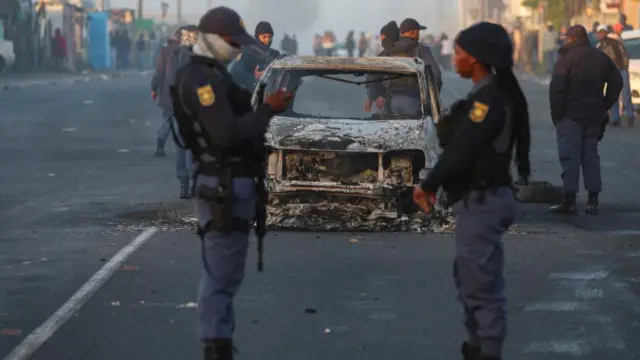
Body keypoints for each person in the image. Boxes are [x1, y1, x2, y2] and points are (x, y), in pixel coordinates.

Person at [171, 7, 292, 360]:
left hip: (228, 182)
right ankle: (216, 346)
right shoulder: (201, 79)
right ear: (211, 40)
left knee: (226, 273)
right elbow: (224, 134)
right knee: (221, 275)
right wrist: (267, 109)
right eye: (232, 43)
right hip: (221, 184)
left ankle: (219, 342)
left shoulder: (214, 74)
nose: (238, 50)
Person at [412, 21, 531, 360]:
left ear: (477, 59)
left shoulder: (487, 103)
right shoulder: (485, 97)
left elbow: (461, 150)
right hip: (480, 201)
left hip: (485, 200)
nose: (455, 59)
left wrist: (428, 184)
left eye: (461, 53)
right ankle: (477, 347)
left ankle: (488, 351)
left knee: (481, 283)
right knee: (470, 277)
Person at [549, 25, 622, 215]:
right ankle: (593, 200)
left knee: (570, 156)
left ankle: (570, 200)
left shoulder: (567, 59)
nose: (564, 40)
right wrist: (605, 105)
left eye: (567, 38)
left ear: (573, 39)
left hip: (571, 115)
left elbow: (557, 89)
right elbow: (617, 82)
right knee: (590, 156)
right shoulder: (600, 57)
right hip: (594, 115)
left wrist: (557, 115)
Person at [596, 24, 632, 127]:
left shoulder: (615, 43)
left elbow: (624, 54)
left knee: (625, 95)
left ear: (606, 33)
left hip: (620, 71)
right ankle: (615, 118)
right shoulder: (598, 47)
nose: (601, 34)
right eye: (600, 32)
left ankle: (629, 116)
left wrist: (625, 68)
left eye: (603, 32)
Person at [228, 21, 280, 91]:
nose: (267, 40)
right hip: (251, 94)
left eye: (269, 37)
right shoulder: (247, 52)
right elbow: (235, 74)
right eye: (264, 37)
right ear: (257, 37)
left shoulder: (274, 54)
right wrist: (254, 77)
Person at [151, 32, 181, 157]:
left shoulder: (165, 52)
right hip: (184, 93)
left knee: (168, 120)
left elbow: (159, 72)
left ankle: (160, 146)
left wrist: (154, 88)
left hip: (168, 92)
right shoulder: (190, 52)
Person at [363, 21, 399, 113]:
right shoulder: (409, 50)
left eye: (382, 36)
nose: (381, 38)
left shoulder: (385, 54)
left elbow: (373, 77)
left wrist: (373, 97)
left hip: (389, 99)